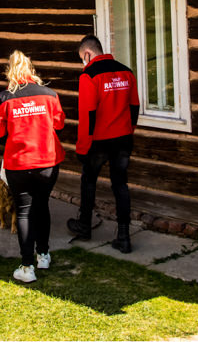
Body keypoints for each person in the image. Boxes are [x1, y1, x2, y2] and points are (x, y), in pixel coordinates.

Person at [0, 50, 65, 283]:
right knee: (42, 207)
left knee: (23, 211)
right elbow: (60, 124)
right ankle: (43, 255)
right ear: (31, 69)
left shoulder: (2, 99)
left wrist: (13, 140)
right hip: (47, 161)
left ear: (9, 71)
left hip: (19, 162)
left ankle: (26, 266)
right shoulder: (50, 95)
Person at [67, 35, 139, 253]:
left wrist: (82, 146)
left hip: (99, 140)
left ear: (87, 54)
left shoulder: (89, 75)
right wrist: (129, 130)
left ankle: (85, 226)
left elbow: (87, 114)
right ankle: (124, 236)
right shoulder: (127, 71)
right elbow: (134, 106)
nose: (83, 62)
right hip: (123, 138)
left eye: (82, 58)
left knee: (89, 181)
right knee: (121, 185)